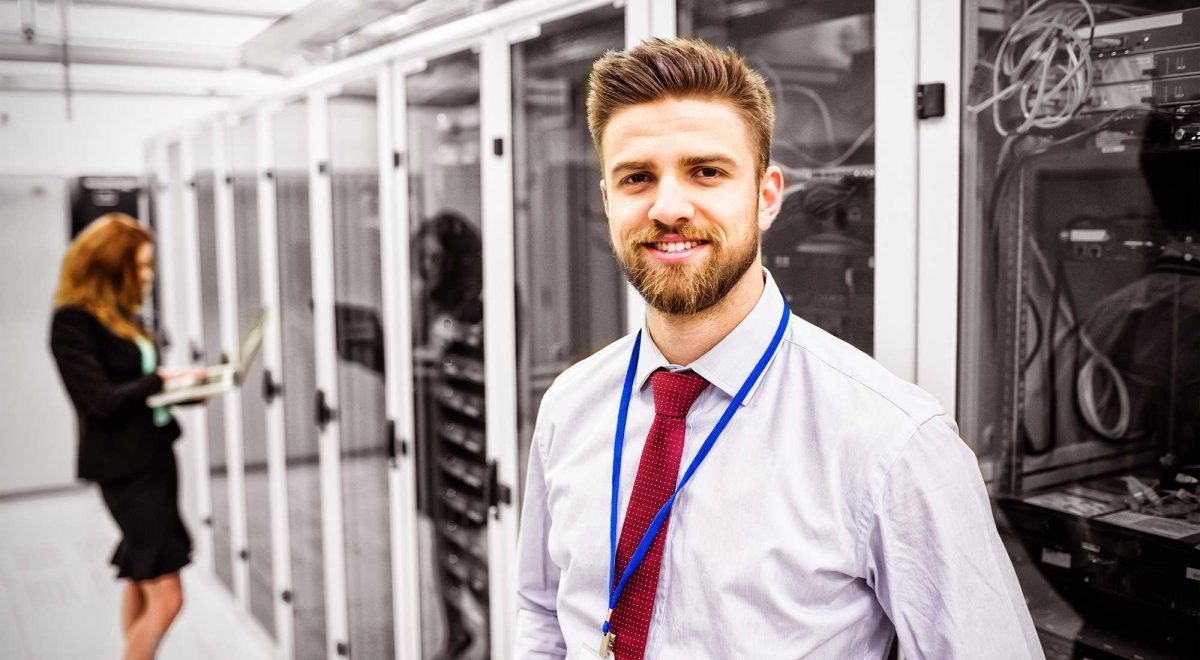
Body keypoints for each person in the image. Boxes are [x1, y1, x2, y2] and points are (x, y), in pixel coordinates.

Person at [514, 38, 1042, 659]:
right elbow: (544, 612)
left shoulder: (892, 443)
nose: (669, 206)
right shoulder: (570, 407)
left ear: (766, 197)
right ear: (608, 202)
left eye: (706, 171)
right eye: (637, 178)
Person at [49, 213, 200, 660]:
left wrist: (184, 388)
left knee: (142, 571)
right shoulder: (71, 323)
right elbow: (100, 399)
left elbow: (138, 386)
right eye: (140, 266)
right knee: (169, 596)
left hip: (153, 457)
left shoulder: (120, 315)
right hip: (124, 469)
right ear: (107, 266)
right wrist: (160, 380)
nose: (148, 276)